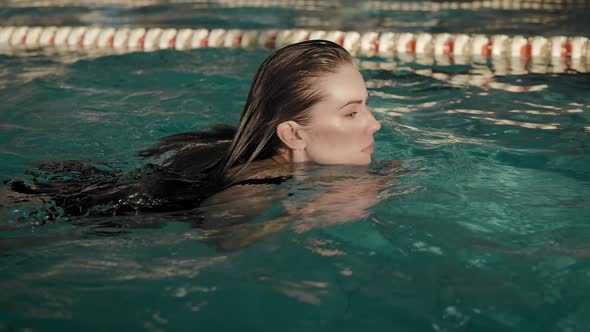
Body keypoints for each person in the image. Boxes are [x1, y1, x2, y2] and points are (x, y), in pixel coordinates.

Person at [2, 40, 393, 245]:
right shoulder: (255, 183)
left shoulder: (240, 139)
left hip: (75, 184)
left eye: (366, 106)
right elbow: (226, 238)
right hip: (72, 214)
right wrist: (315, 210)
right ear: (293, 135)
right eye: (351, 113)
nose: (374, 124)